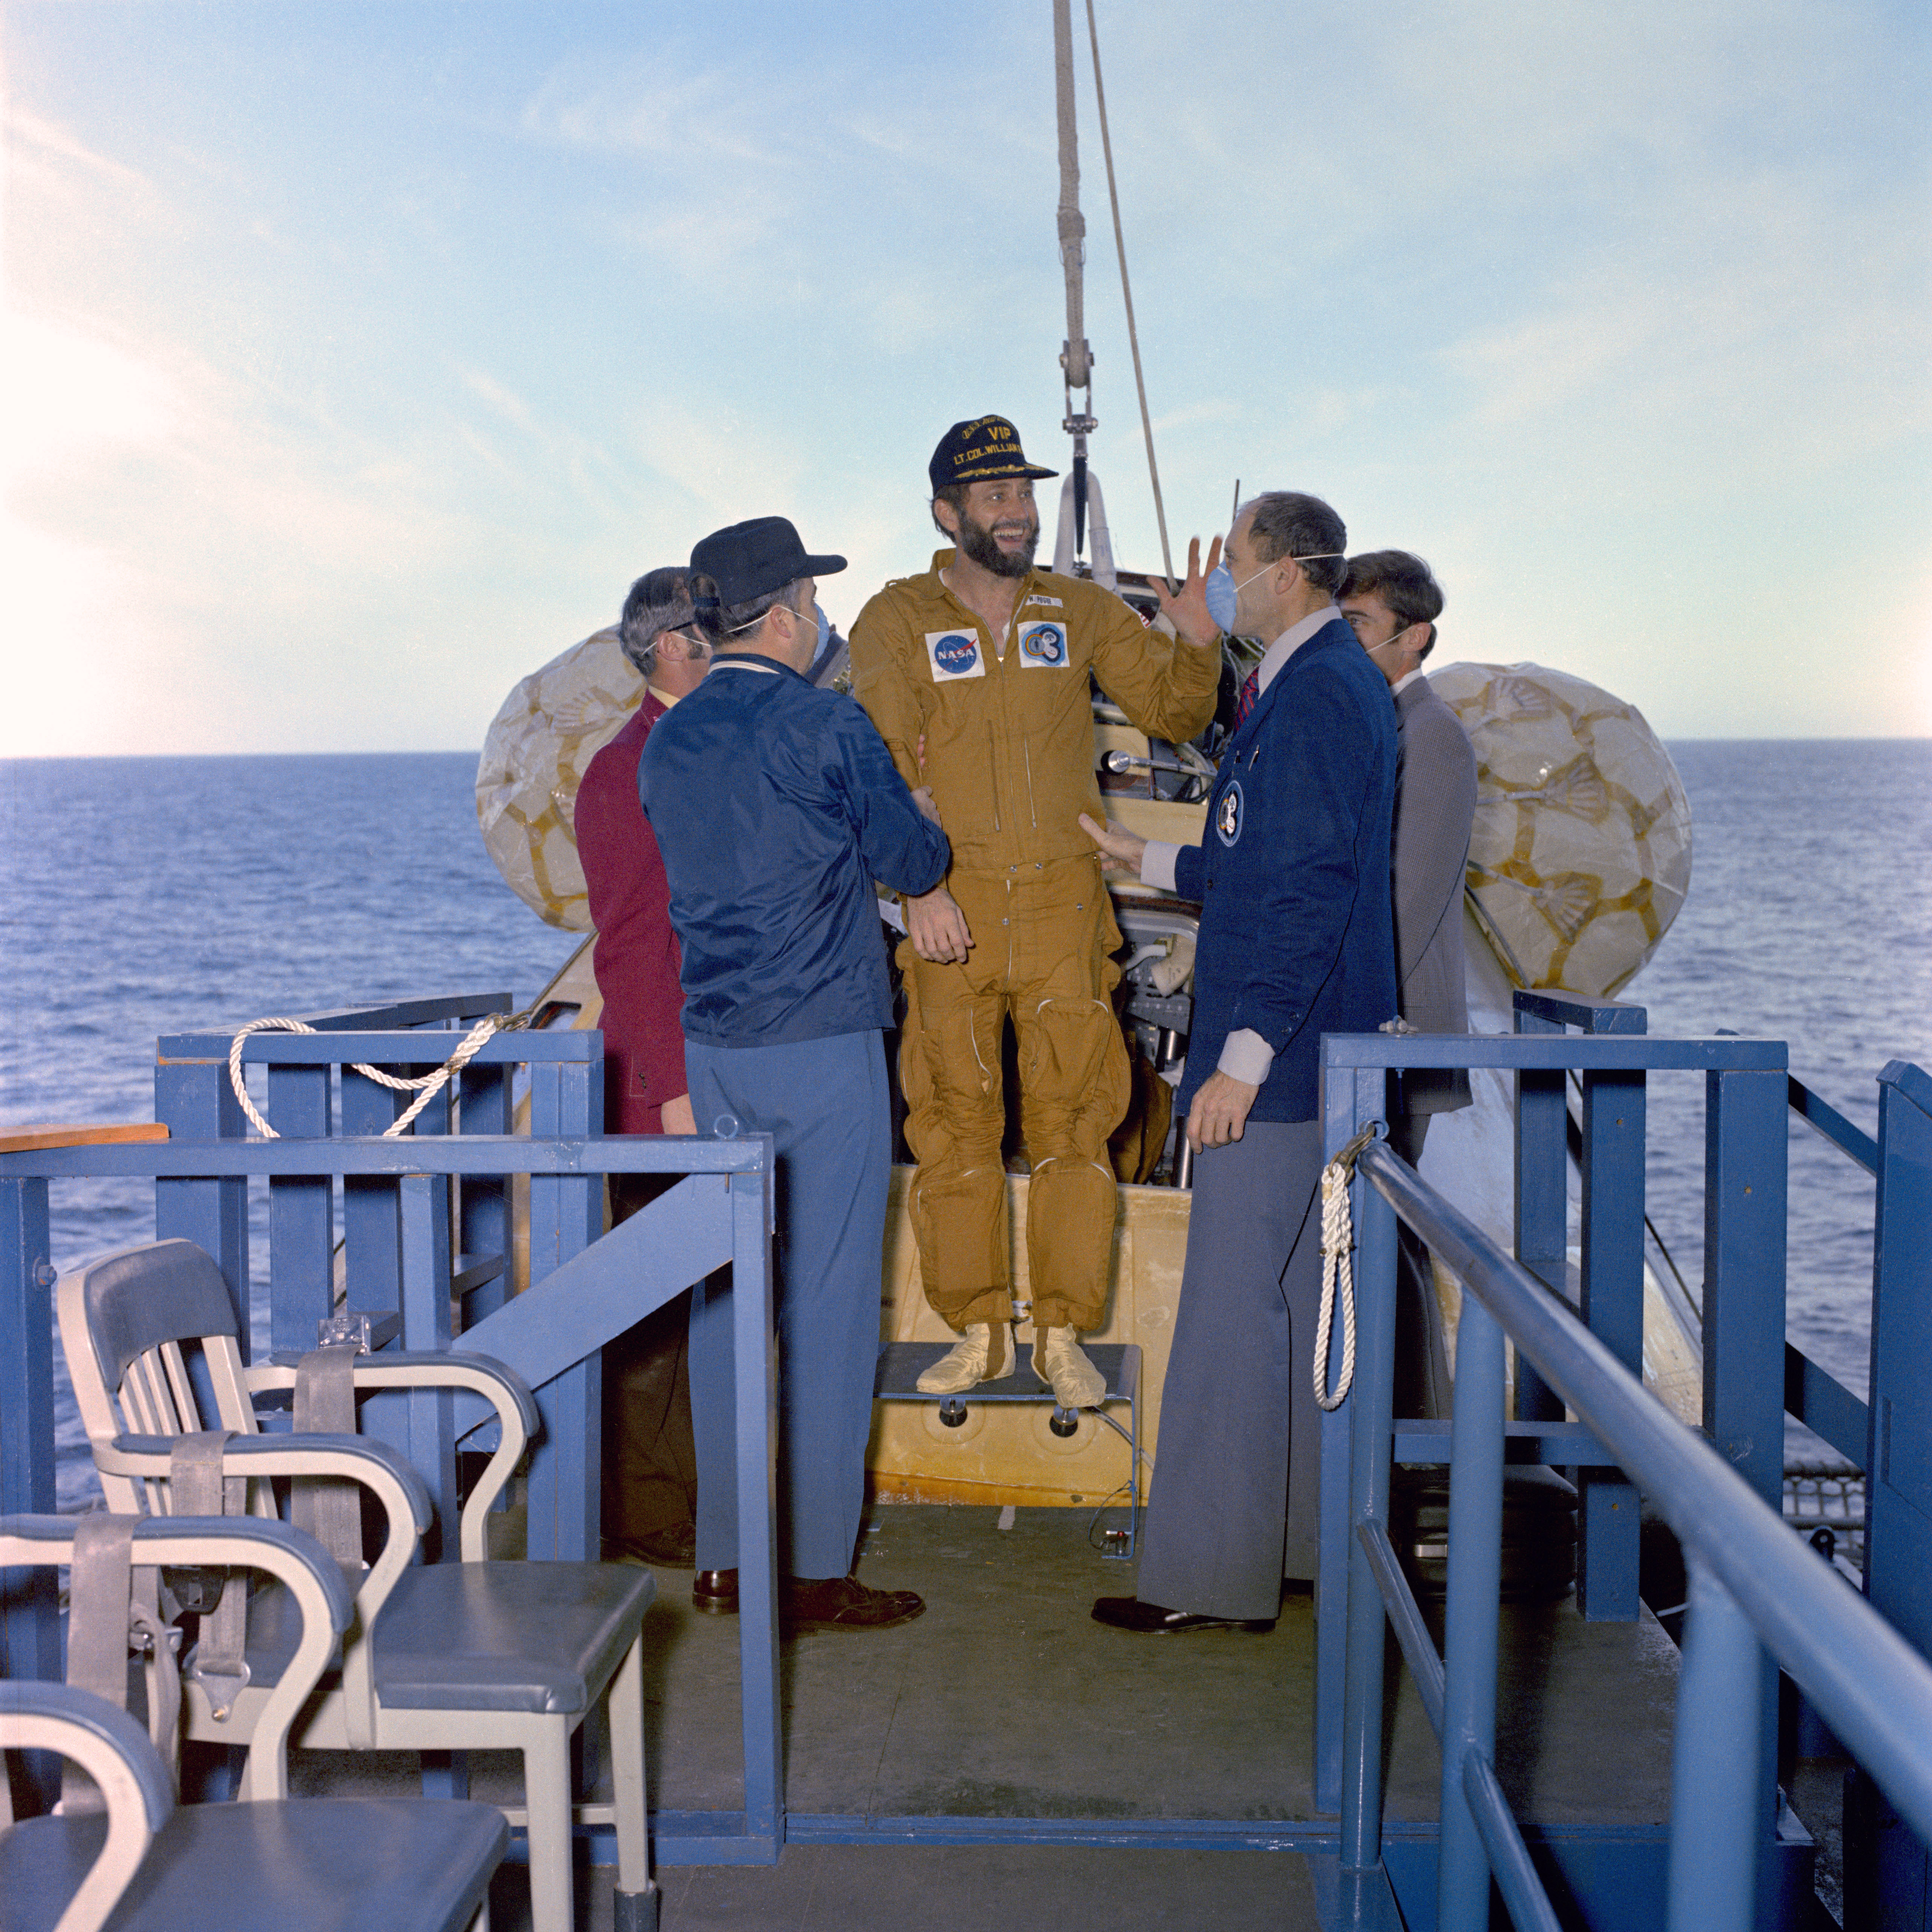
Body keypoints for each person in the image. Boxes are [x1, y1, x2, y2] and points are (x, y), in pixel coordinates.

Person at [848, 415, 1221, 1408]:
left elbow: (1177, 713)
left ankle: (1060, 1327)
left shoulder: (1081, 608)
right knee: (953, 1122)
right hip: (952, 910)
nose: (1016, 512)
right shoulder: (894, 621)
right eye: (995, 496)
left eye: (1023, 493)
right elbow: (876, 773)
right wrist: (917, 888)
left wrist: (1195, 641)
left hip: (1062, 905)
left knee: (1074, 1122)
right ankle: (976, 1327)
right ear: (947, 512)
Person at [1080, 491, 1398, 1633]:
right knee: (1310, 1307)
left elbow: (1305, 891)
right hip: (1331, 1063)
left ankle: (1205, 1582)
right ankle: (1312, 1553)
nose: (1222, 585)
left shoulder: (1314, 694)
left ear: (1285, 573)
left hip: (1281, 1064)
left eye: (1236, 564)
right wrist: (1145, 851)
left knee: (1230, 1313)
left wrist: (1241, 1059)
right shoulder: (1318, 684)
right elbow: (1255, 851)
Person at [639, 515, 952, 1631]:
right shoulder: (828, 721)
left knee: (733, 1303)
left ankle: (725, 1558)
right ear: (781, 617)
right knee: (824, 1307)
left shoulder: (666, 741)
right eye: (812, 604)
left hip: (716, 1047)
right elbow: (909, 862)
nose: (818, 618)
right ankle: (816, 1569)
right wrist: (918, 824)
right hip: (820, 1041)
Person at [572, 567, 710, 1568]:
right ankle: (646, 1518)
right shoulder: (625, 773)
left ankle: (700, 1499)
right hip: (660, 1084)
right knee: (655, 1318)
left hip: (710, 1067)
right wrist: (669, 1089)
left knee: (703, 1300)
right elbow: (628, 950)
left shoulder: (698, 753)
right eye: (713, 629)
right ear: (674, 645)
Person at [1339, 550, 1477, 1419]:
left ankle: (1408, 1441)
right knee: (1367, 1242)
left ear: (1412, 636)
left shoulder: (1432, 738)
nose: (1344, 642)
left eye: (1357, 626)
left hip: (1393, 1030)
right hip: (1372, 1033)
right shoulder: (1383, 728)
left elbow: (1405, 898)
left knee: (1388, 1245)